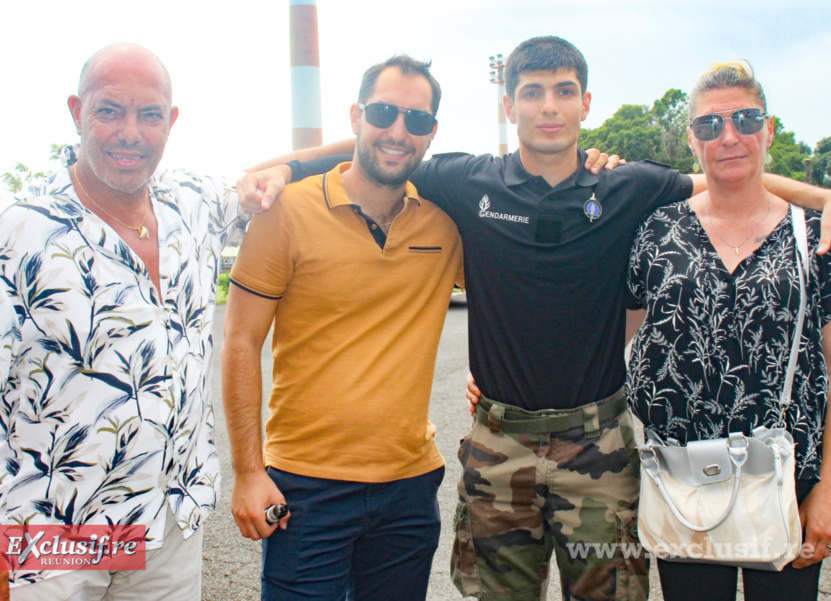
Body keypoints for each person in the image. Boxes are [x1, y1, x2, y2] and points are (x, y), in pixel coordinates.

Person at [242, 37, 831, 601]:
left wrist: (824, 199)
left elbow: (731, 178)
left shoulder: (627, 186)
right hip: (501, 448)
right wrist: (283, 170)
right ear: (509, 103)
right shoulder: (467, 183)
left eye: (564, 90)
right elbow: (376, 148)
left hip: (600, 449)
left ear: (586, 103)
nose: (549, 106)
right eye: (532, 92)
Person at [0, 43, 250, 601]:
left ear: (171, 121)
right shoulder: (16, 232)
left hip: (167, 526)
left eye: (149, 114)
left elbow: (279, 173)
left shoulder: (192, 203)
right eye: (109, 110)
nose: (130, 132)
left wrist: (375, 129)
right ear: (76, 112)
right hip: (53, 537)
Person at [221, 55, 464, 601]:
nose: (399, 131)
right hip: (306, 486)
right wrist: (246, 471)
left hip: (409, 488)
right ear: (355, 116)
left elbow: (522, 293)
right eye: (383, 112)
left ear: (432, 133)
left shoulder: (445, 222)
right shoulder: (285, 212)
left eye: (417, 120)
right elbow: (239, 340)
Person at [625, 61, 831, 601]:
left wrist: (829, 490)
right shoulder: (657, 232)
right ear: (693, 142)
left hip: (788, 479)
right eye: (710, 126)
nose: (729, 137)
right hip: (682, 483)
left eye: (745, 119)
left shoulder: (815, 238)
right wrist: (503, 378)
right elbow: (610, 338)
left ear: (769, 130)